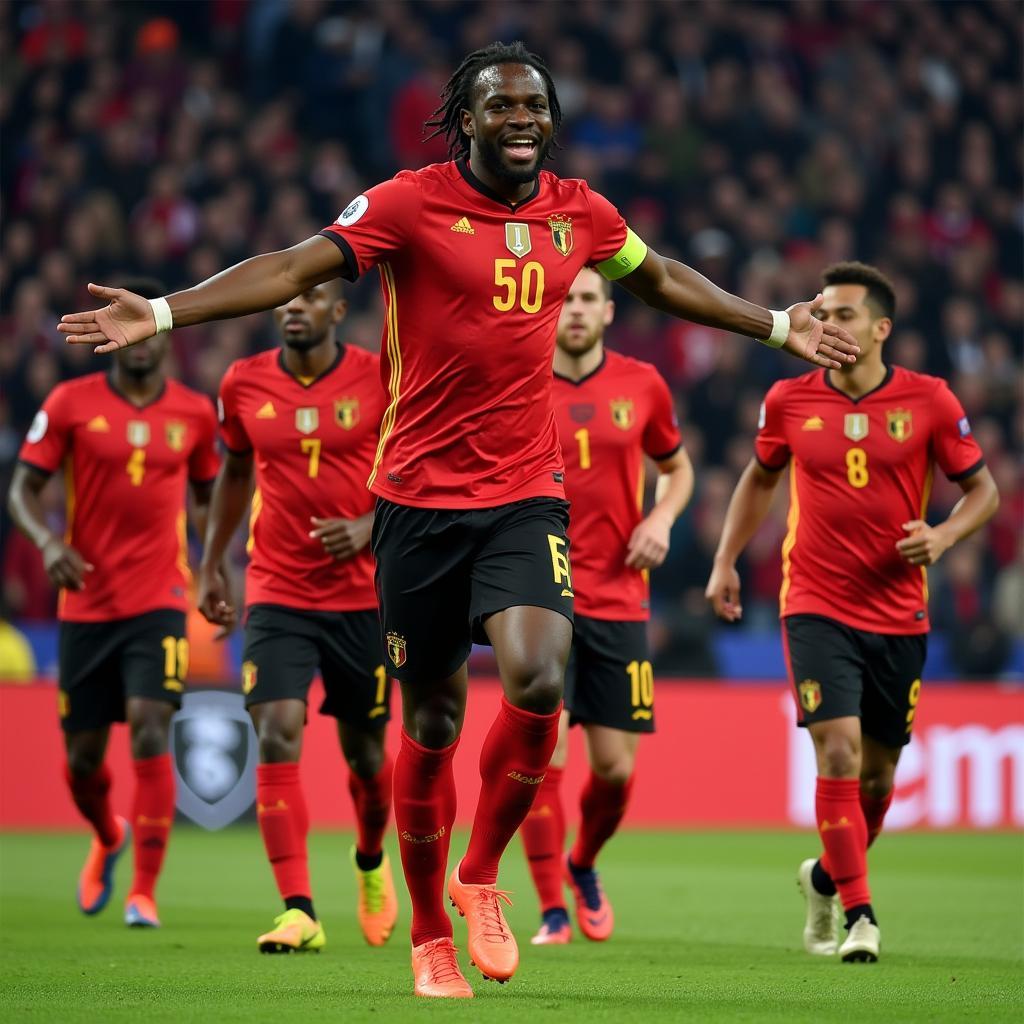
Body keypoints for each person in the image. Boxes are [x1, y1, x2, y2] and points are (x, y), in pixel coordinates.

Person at [58, 42, 857, 997]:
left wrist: (773, 325)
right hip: (413, 506)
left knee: (537, 677)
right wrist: (163, 311)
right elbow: (290, 265)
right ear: (466, 120)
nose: (522, 120)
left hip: (524, 494)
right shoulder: (407, 202)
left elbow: (663, 278)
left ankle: (480, 876)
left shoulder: (581, 212)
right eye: (501, 107)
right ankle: (429, 928)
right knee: (431, 721)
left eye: (536, 106)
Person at [705, 261, 999, 963]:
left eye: (843, 315)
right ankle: (861, 916)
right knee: (835, 749)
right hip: (813, 601)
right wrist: (724, 560)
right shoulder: (787, 399)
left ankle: (826, 877)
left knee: (878, 778)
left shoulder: (928, 400)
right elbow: (758, 478)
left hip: (899, 611)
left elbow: (982, 489)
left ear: (880, 329)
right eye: (822, 313)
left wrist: (945, 534)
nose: (828, 324)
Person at [9, 277, 220, 929]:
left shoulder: (194, 415)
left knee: (154, 728)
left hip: (160, 599)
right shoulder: (70, 402)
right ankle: (106, 833)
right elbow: (21, 488)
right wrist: (46, 542)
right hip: (87, 604)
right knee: (81, 761)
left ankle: (144, 893)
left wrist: (211, 567)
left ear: (165, 332)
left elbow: (213, 496)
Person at [196, 281, 397, 953]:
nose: (292, 308)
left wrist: (372, 524)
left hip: (364, 598)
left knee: (367, 756)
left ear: (339, 312)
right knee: (277, 730)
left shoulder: (379, 376)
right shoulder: (242, 383)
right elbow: (233, 471)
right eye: (287, 301)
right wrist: (211, 564)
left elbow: (420, 466)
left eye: (310, 298)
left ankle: (370, 860)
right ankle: (299, 910)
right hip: (278, 589)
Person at [520, 267, 693, 944]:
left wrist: (662, 521)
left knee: (616, 771)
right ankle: (549, 909)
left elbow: (677, 468)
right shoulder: (521, 383)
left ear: (609, 311)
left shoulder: (643, 384)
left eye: (588, 298)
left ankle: (582, 863)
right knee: (543, 757)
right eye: (563, 299)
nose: (575, 311)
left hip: (622, 597)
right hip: (542, 596)